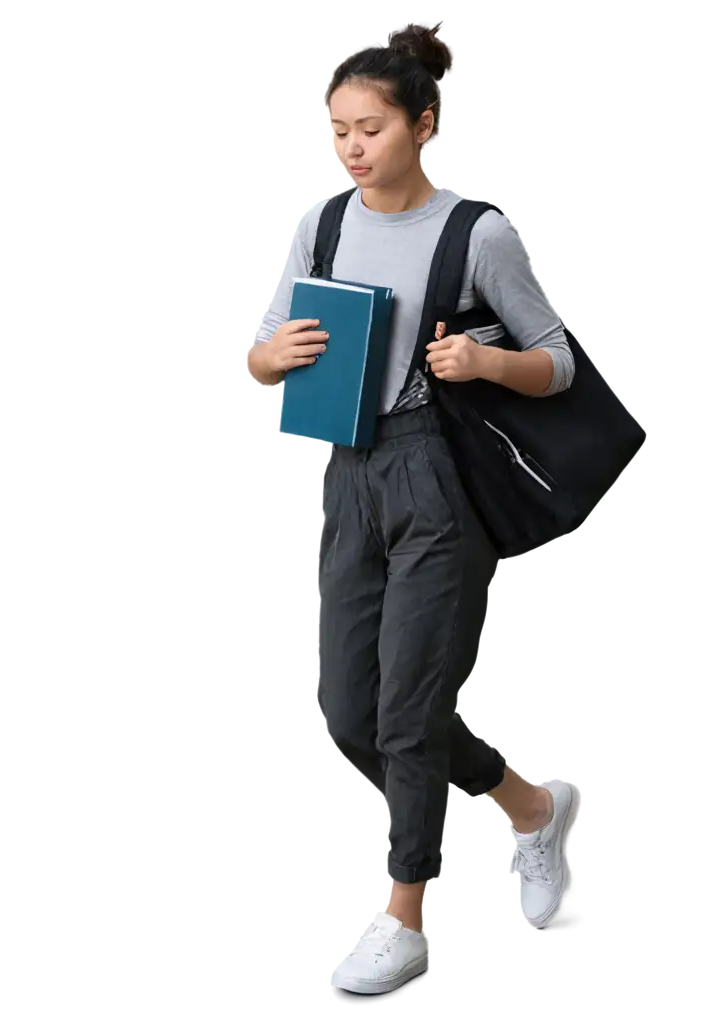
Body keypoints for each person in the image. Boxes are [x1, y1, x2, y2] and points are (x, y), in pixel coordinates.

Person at [244, 27, 581, 996]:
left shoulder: (477, 234)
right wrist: (276, 357)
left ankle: (405, 915)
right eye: (337, 131)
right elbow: (257, 354)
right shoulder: (320, 224)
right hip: (345, 471)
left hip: (435, 471)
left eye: (370, 128)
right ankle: (530, 806)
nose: (351, 148)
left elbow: (557, 361)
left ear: (422, 125)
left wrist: (486, 362)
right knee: (351, 717)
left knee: (403, 716)